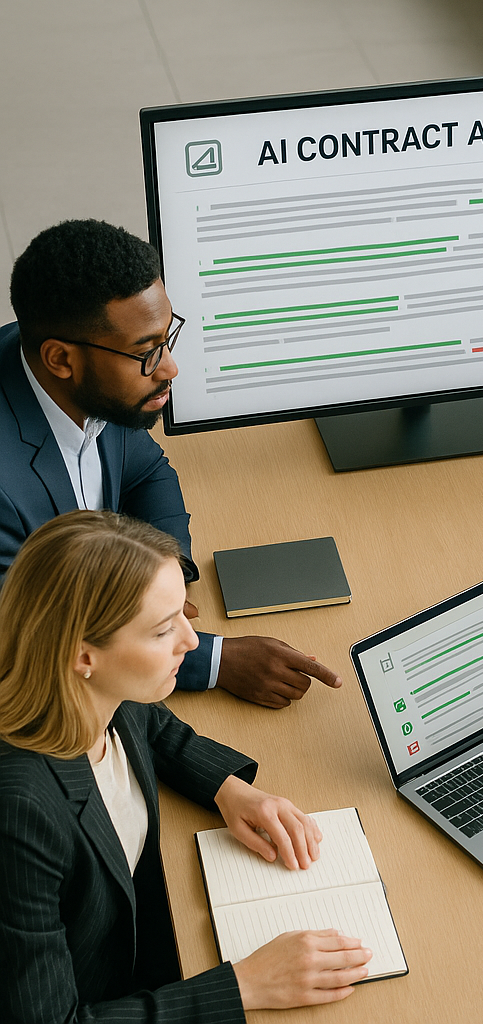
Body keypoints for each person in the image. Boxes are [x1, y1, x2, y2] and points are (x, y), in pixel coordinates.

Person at [0, 510, 372, 1023]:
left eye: (182, 615)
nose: (192, 642)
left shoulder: (95, 689)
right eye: (161, 631)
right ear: (83, 655)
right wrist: (243, 987)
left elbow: (151, 724)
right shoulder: (19, 814)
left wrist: (228, 789)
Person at [1, 218, 341, 707]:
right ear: (60, 359)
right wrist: (215, 659)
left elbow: (147, 473)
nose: (169, 368)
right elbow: (33, 643)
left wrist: (167, 573)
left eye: (167, 337)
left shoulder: (83, 376)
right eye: (146, 353)